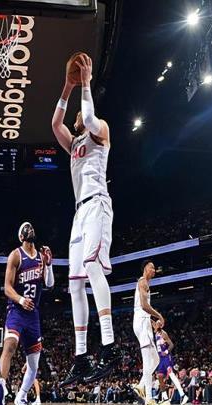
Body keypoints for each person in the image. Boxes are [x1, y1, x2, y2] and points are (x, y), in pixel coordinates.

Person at [52, 53, 117, 386]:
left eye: (79, 110)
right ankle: (81, 357)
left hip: (97, 206)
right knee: (75, 283)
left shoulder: (100, 130)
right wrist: (67, 86)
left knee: (92, 267)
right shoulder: (74, 142)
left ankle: (109, 347)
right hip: (79, 213)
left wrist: (86, 82)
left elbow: (89, 114)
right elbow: (55, 125)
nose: (77, 115)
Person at [0, 222, 54, 405]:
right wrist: (20, 299)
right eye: (26, 228)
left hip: (33, 314)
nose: (30, 228)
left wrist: (49, 265)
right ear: (21, 237)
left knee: (34, 365)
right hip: (16, 311)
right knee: (10, 345)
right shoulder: (16, 255)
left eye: (31, 227)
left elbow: (49, 284)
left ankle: (21, 397)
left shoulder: (41, 257)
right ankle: (1, 387)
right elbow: (7, 287)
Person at [132, 260, 164, 405]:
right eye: (152, 267)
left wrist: (152, 322)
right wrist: (159, 316)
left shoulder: (144, 283)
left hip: (143, 321)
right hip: (141, 322)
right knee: (147, 360)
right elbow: (144, 306)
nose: (154, 270)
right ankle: (149, 400)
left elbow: (142, 309)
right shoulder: (143, 282)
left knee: (156, 359)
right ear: (145, 268)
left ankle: (140, 386)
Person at [152, 320, 188, 405]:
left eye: (158, 323)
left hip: (166, 357)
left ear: (161, 325)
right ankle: (165, 398)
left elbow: (171, 344)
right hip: (160, 358)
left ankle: (183, 395)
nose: (156, 324)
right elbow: (151, 321)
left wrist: (166, 352)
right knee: (160, 377)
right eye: (156, 323)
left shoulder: (163, 333)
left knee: (171, 375)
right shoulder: (156, 332)